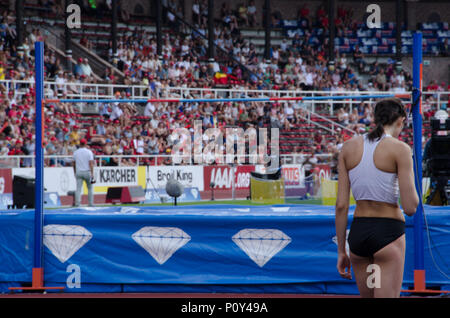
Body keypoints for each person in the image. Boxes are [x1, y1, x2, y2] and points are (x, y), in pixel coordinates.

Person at [335, 98, 419, 298]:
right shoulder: (400, 149)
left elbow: (341, 205)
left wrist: (341, 251)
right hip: (387, 234)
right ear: (400, 121)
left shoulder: (348, 147)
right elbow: (410, 207)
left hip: (359, 235)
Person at [73, 138, 95, 207]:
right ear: (85, 144)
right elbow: (91, 163)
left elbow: (73, 163)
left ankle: (77, 203)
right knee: (90, 188)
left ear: (80, 144)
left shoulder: (76, 152)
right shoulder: (89, 152)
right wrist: (92, 173)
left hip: (79, 171)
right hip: (87, 171)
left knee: (78, 189)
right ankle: (90, 203)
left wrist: (75, 172)